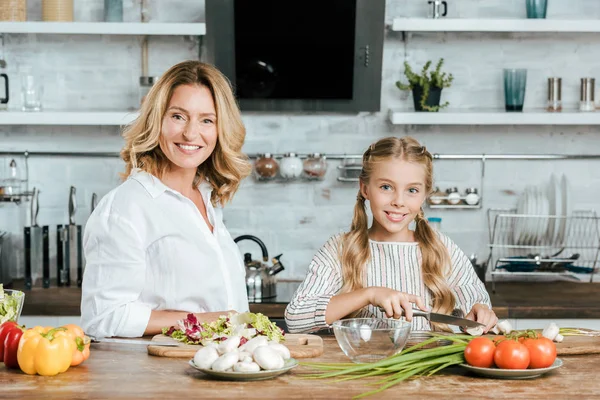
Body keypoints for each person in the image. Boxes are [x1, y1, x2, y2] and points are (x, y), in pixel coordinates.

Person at [81, 61, 252, 339]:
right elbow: (104, 317)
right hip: (164, 376)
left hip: (217, 371)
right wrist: (208, 320)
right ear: (156, 119)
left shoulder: (206, 198)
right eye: (178, 116)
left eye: (206, 120)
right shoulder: (125, 208)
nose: (190, 133)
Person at [285, 136, 497, 334]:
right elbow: (295, 318)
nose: (399, 201)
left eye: (412, 190)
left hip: (428, 372)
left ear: (424, 194)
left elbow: (476, 302)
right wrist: (369, 294)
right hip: (362, 368)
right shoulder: (339, 249)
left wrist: (480, 310)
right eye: (386, 187)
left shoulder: (441, 247)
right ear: (365, 189)